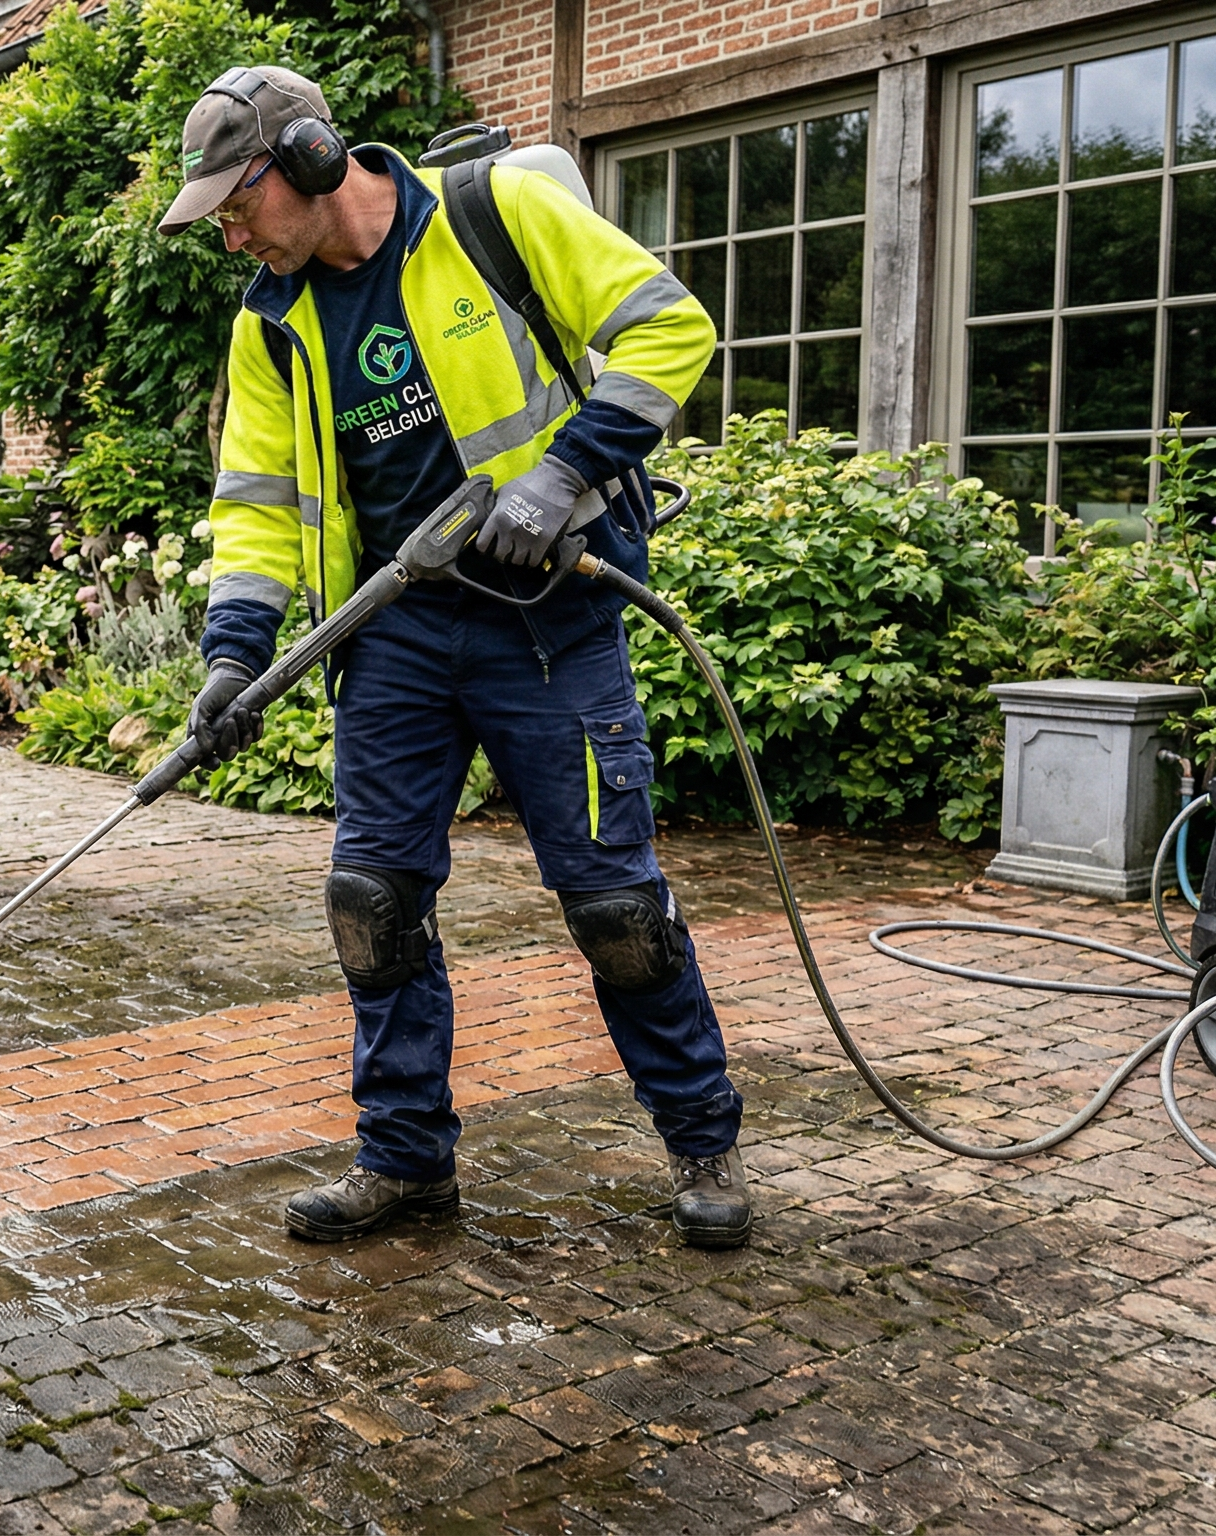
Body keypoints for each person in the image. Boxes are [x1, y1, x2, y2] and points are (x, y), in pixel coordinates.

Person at [156, 66, 748, 1248]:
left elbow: (668, 326)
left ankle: (700, 1143)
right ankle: (404, 1163)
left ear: (314, 160)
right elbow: (259, 505)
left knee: (614, 907)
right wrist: (231, 659)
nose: (225, 229)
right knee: (371, 906)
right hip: (392, 644)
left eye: (236, 200)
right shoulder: (268, 326)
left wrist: (562, 470)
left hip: (548, 625)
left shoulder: (492, 216)